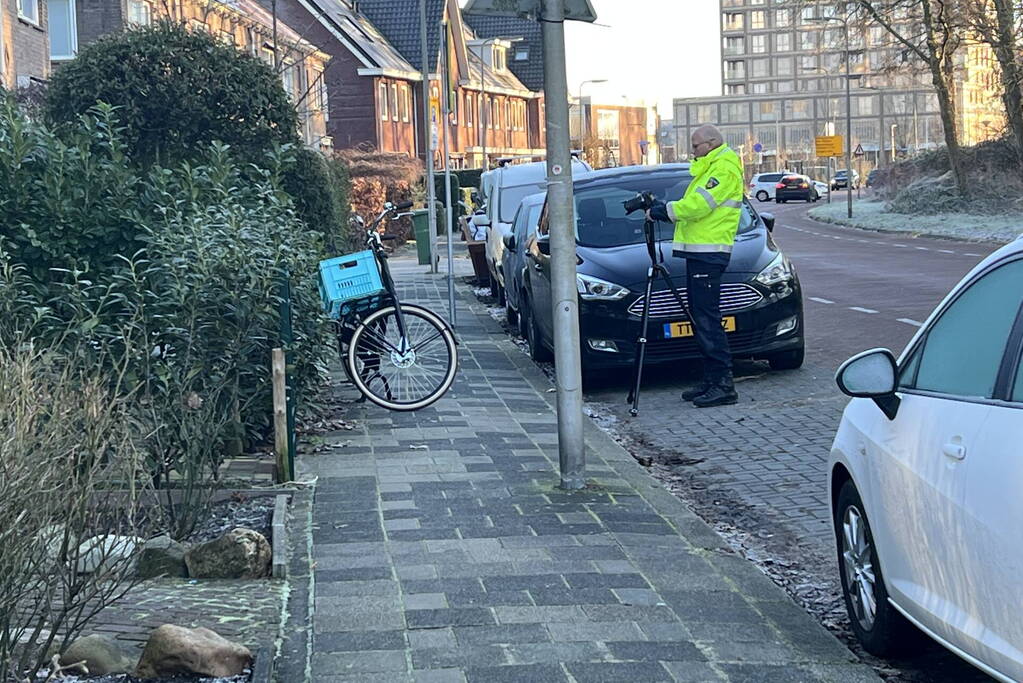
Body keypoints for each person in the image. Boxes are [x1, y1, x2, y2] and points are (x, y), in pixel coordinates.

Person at [648, 124, 744, 408]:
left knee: (708, 319)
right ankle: (712, 379)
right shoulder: (711, 166)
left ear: (712, 143)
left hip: (709, 253)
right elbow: (694, 202)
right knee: (702, 318)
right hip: (701, 252)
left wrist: (665, 211)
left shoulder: (723, 168)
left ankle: (723, 384)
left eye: (696, 146)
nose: (693, 151)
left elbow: (698, 205)